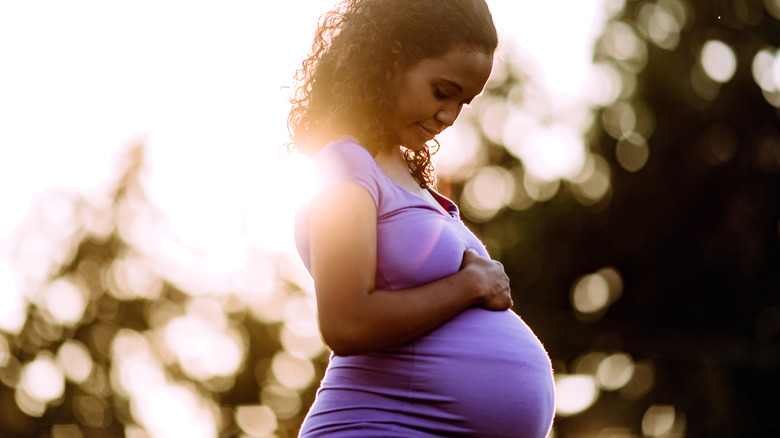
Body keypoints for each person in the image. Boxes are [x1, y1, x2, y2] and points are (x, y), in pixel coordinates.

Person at [287, 0, 555, 436]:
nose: (449, 116)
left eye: (462, 102)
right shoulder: (344, 164)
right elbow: (346, 321)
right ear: (393, 59)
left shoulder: (399, 174)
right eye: (441, 91)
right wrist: (470, 284)